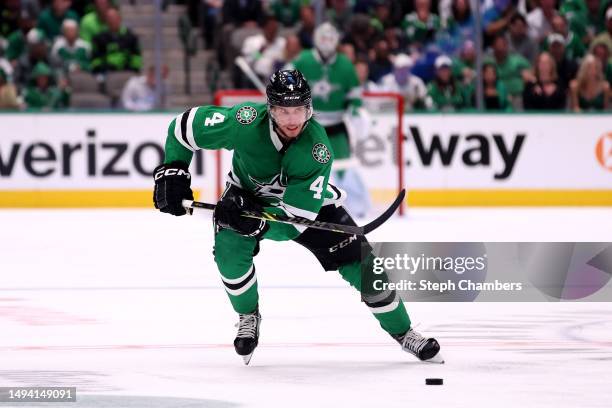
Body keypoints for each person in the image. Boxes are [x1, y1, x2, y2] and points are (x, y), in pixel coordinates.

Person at [152, 69, 443, 365]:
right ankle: (248, 316)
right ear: (270, 109)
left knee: (365, 267)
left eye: (299, 110)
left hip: (307, 208)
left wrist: (258, 224)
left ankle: (404, 332)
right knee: (228, 254)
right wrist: (173, 171)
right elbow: (183, 128)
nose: (292, 120)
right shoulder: (245, 121)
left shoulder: (317, 151)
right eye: (283, 110)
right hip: (244, 197)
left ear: (310, 108)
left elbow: (291, 225)